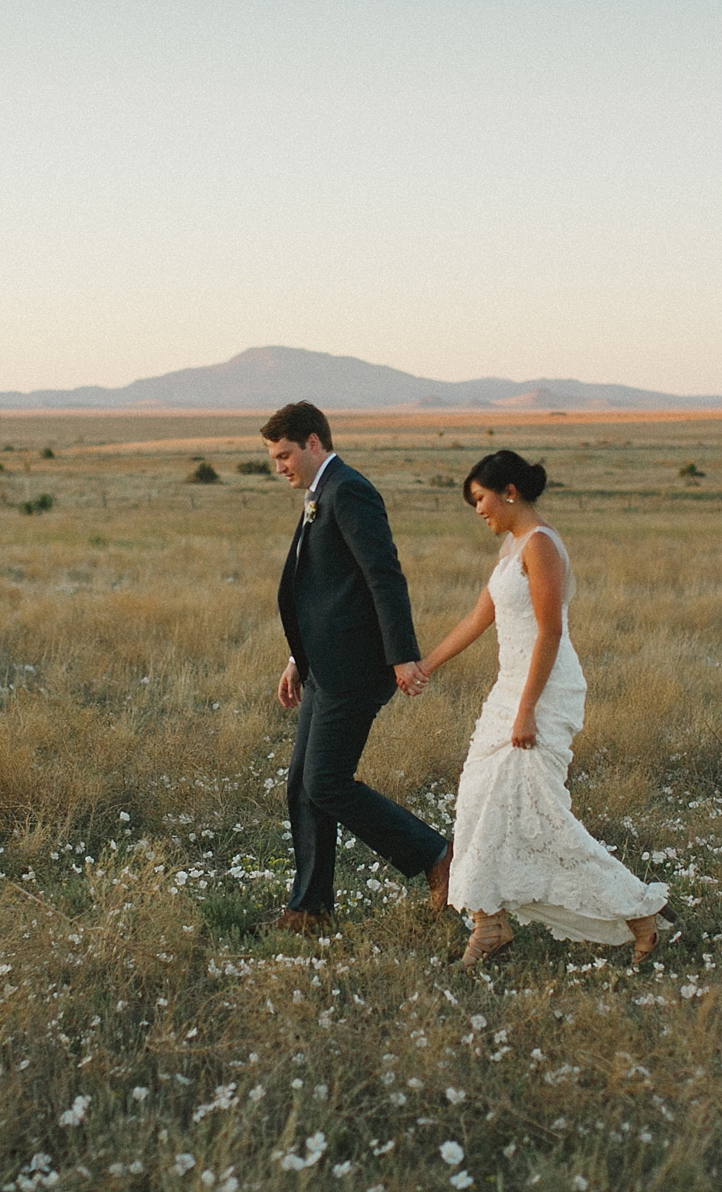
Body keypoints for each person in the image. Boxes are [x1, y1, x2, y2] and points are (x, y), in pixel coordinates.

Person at [412, 450, 671, 968]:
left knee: (540, 814)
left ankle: (641, 915)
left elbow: (550, 632)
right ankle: (489, 926)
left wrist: (526, 710)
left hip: (542, 690)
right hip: (509, 688)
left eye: (481, 499)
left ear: (509, 491)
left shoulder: (542, 545)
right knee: (479, 803)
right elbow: (480, 616)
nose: (478, 511)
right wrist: (426, 666)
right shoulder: (511, 548)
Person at [263, 402, 452, 934]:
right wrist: (298, 659)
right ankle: (310, 910)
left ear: (314, 442)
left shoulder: (350, 490)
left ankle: (437, 854)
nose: (280, 466)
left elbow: (383, 576)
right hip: (323, 665)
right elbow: (326, 592)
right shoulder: (318, 494)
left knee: (326, 782)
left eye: (285, 455)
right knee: (301, 786)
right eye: (274, 458)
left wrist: (401, 655)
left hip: (356, 669)